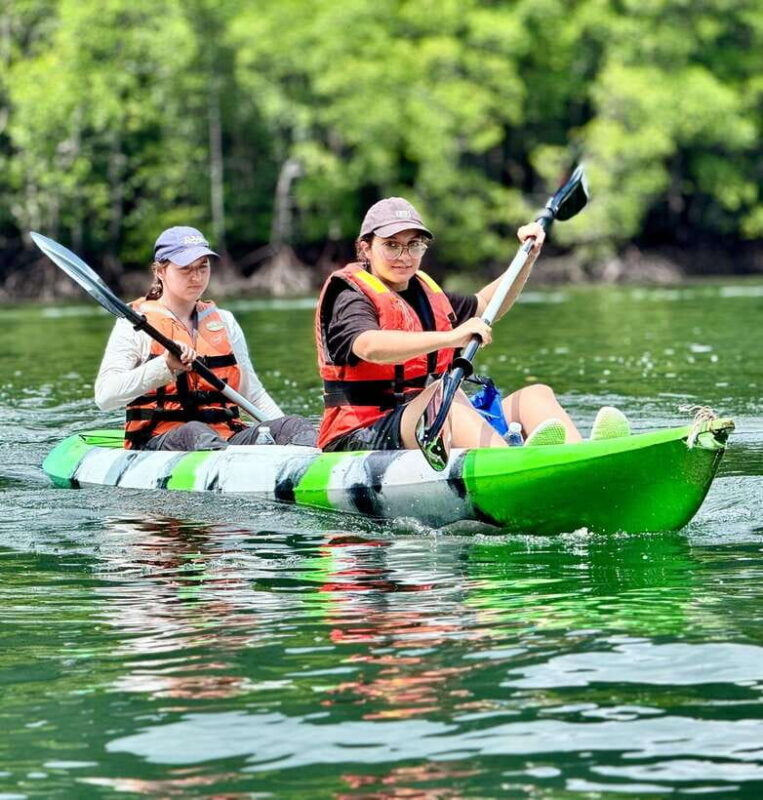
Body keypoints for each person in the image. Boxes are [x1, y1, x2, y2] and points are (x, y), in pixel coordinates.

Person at [315, 197, 629, 453]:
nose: (404, 255)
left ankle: (581, 459)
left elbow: (486, 304)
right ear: (366, 248)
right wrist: (450, 338)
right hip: (361, 432)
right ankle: (517, 467)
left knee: (535, 395)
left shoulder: (422, 292)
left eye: (414, 245)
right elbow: (369, 346)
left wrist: (528, 257)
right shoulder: (349, 295)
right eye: (392, 245)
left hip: (421, 418)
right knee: (444, 401)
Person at [95, 226, 317, 451]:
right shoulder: (133, 324)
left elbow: (252, 392)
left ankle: (314, 460)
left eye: (203, 267)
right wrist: (164, 366)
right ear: (160, 272)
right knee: (196, 432)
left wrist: (280, 432)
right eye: (186, 269)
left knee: (294, 425)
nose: (197, 277)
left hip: (225, 437)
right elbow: (105, 396)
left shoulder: (224, 321)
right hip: (160, 440)